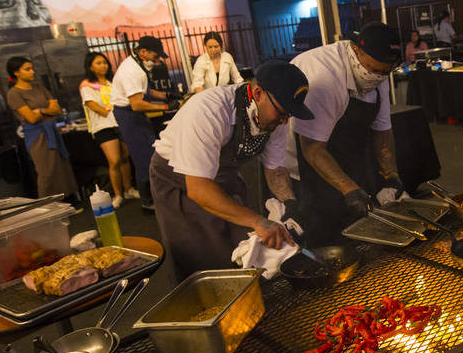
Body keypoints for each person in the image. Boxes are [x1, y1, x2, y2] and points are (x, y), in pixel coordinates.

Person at [150, 60, 312, 281]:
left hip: (222, 175)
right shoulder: (209, 110)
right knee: (205, 259)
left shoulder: (275, 119)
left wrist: (291, 205)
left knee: (246, 248)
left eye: (289, 116)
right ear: (258, 93)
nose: (285, 121)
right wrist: (258, 221)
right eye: (282, 112)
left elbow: (275, 170)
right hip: (179, 181)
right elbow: (198, 189)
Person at [290, 22, 404, 245]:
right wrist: (350, 189)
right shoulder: (325, 77)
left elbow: (382, 132)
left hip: (344, 153)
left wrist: (392, 176)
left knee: (357, 224)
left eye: (385, 72)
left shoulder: (379, 73)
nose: (379, 77)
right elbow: (312, 148)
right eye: (374, 70)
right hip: (306, 161)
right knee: (323, 230)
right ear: (355, 50)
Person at [110, 35, 174, 212]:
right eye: (155, 56)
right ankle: (148, 203)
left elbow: (144, 90)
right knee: (144, 157)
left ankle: (155, 198)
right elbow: (137, 103)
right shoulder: (133, 70)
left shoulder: (137, 64)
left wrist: (166, 96)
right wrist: (166, 108)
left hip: (134, 113)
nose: (157, 60)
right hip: (128, 115)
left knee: (151, 151)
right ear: (143, 51)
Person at [5, 56, 78, 198]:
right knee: (46, 171)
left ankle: (66, 202)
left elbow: (56, 109)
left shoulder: (39, 87)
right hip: (36, 136)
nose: (32, 71)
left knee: (61, 167)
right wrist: (44, 109)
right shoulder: (14, 93)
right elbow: (30, 118)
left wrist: (38, 111)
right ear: (16, 72)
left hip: (51, 129)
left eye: (32, 68)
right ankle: (47, 207)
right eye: (27, 69)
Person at [79, 52, 135, 207]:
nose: (103, 65)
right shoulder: (87, 85)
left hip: (120, 123)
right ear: (90, 66)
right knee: (114, 160)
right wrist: (110, 109)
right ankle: (118, 195)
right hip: (103, 127)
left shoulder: (111, 83)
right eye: (98, 63)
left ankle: (129, 189)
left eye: (104, 62)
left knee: (125, 157)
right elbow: (94, 106)